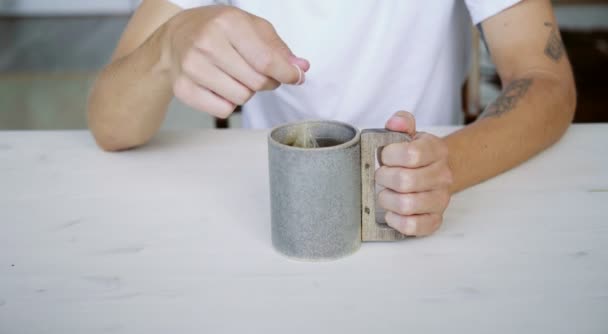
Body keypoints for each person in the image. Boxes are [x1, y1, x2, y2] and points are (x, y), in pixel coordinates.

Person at [87, 0, 576, 237]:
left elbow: (545, 79)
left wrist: (445, 165)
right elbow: (110, 125)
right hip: (272, 217)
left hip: (423, 227)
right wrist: (167, 47)